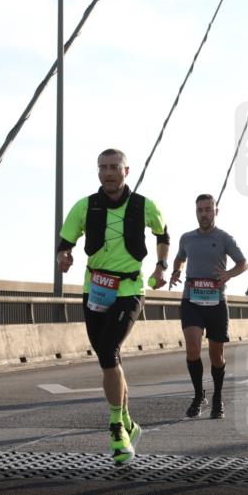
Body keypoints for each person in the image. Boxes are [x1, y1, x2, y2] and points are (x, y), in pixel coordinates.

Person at [57, 148, 169, 465]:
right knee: (108, 359)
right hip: (96, 288)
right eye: (103, 167)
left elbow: (163, 234)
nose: (108, 172)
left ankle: (117, 427)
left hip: (129, 288)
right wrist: (63, 257)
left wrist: (161, 266)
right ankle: (129, 422)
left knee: (108, 350)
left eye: (114, 167)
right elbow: (65, 243)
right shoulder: (85, 206)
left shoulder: (144, 205)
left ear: (126, 171)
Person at [170, 194, 247, 420]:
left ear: (216, 211)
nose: (204, 214)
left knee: (216, 355)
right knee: (193, 347)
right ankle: (198, 396)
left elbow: (243, 263)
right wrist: (176, 271)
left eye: (207, 209)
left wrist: (228, 274)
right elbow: (179, 258)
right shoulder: (187, 238)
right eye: (200, 210)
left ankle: (218, 397)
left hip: (216, 302)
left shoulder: (224, 238)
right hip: (191, 299)